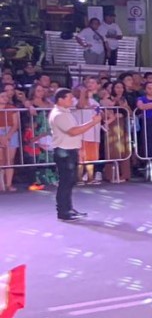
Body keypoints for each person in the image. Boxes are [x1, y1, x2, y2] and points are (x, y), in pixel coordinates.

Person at [48, 88, 101, 222]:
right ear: (60, 99)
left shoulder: (66, 112)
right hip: (63, 151)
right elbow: (73, 131)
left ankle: (68, 208)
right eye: (69, 97)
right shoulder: (59, 114)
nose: (72, 100)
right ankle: (63, 211)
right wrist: (93, 123)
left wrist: (79, 147)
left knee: (69, 181)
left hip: (69, 149)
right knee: (66, 182)